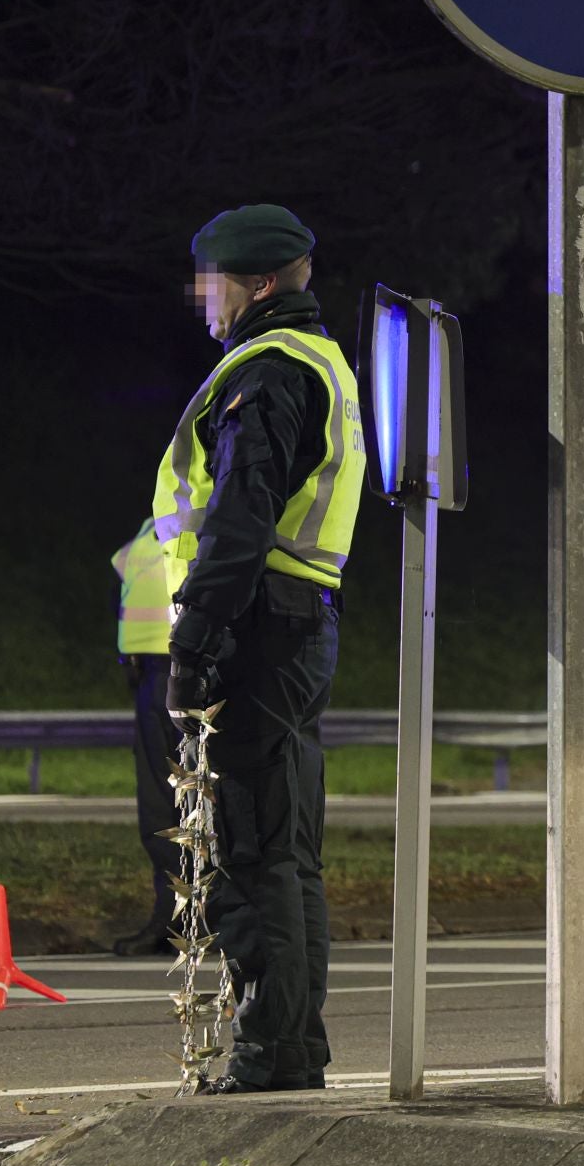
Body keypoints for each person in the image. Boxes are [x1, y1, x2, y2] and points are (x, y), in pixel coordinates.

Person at [154, 203, 366, 1094]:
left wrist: (196, 638)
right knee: (287, 852)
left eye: (215, 284)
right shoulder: (319, 363)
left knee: (251, 851)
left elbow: (241, 515)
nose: (204, 301)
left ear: (261, 284)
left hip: (257, 628)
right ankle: (292, 1046)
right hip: (297, 623)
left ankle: (270, 1054)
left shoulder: (269, 373)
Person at [109, 518, 185, 956]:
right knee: (159, 807)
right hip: (151, 674)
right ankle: (169, 916)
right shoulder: (153, 524)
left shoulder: (207, 507)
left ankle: (211, 919)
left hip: (190, 671)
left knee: (197, 802)